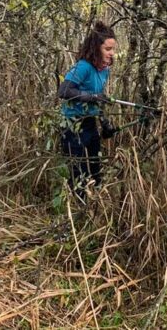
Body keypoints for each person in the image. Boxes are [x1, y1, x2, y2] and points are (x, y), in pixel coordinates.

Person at [57, 21, 118, 200]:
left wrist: (104, 123)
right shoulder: (83, 67)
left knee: (95, 171)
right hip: (72, 125)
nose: (112, 53)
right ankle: (77, 213)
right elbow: (64, 91)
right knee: (79, 174)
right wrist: (90, 96)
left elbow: (97, 99)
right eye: (108, 49)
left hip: (90, 124)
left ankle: (95, 210)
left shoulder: (104, 70)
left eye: (113, 49)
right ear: (96, 48)